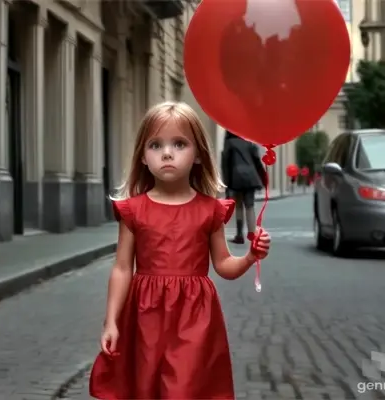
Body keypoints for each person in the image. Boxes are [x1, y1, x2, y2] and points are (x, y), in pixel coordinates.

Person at [88, 102, 271, 399]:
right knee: (145, 386)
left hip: (194, 318)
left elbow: (223, 264)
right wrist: (111, 321)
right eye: (155, 145)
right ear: (143, 158)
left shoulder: (210, 211)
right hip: (144, 316)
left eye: (179, 143)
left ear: (198, 154)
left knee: (184, 387)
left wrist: (251, 256)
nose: (167, 153)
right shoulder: (134, 211)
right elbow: (122, 268)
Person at [221, 130, 267, 244]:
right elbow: (257, 161)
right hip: (251, 177)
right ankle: (252, 234)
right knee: (250, 206)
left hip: (236, 176)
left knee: (239, 206)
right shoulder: (249, 142)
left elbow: (226, 164)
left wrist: (226, 183)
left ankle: (239, 234)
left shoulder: (229, 143)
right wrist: (263, 179)